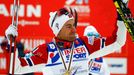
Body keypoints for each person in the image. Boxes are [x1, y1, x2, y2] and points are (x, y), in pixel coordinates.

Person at [5, 7, 127, 75]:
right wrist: (11, 44)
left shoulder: (85, 44)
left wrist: (121, 18)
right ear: (57, 29)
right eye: (68, 26)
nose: (74, 30)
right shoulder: (46, 51)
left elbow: (117, 42)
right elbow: (16, 69)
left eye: (74, 25)